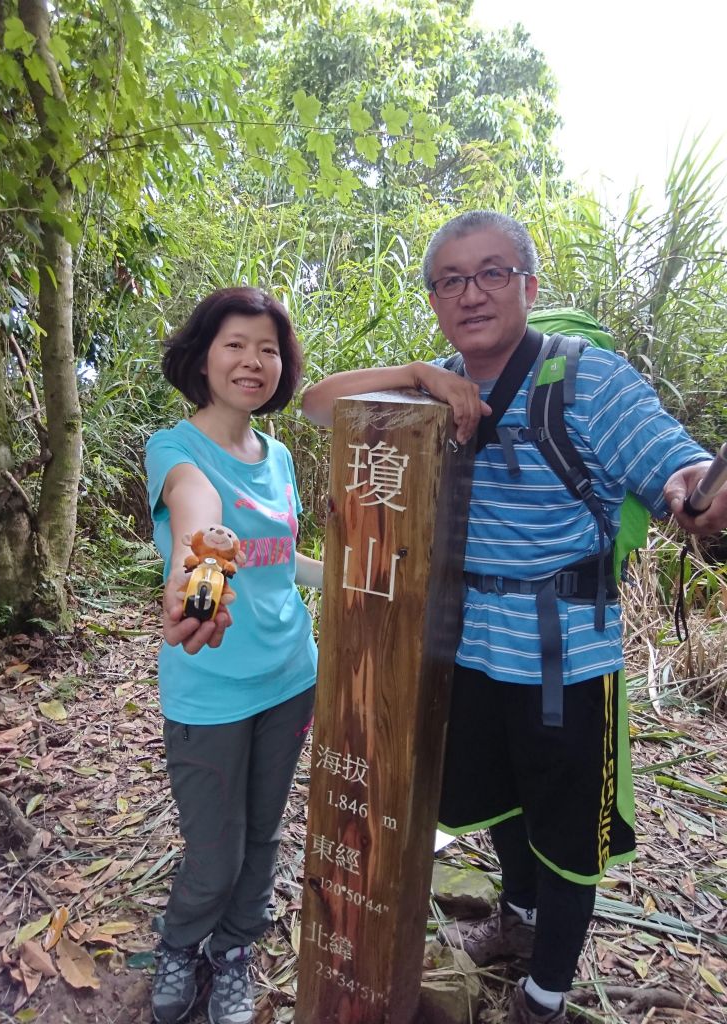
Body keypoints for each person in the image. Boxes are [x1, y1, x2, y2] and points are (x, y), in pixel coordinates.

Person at [301, 210, 727, 1024]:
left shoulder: (587, 379)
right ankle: (518, 921)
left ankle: (546, 996)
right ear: (434, 300)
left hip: (563, 653)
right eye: (451, 280)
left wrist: (694, 487)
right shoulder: (433, 380)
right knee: (496, 797)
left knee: (567, 833)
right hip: (466, 644)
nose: (472, 293)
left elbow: (674, 460)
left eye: (493, 273)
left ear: (529, 285)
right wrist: (422, 377)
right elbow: (320, 405)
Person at [145, 287, 322, 1024]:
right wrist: (193, 566)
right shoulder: (175, 449)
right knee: (214, 852)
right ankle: (181, 942)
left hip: (291, 678)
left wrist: (353, 580)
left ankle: (234, 948)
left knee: (263, 833)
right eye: (236, 345)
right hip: (210, 688)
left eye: (268, 349)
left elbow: (276, 557)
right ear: (203, 357)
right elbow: (200, 513)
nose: (253, 361)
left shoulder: (278, 457)